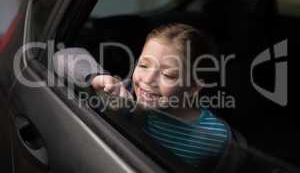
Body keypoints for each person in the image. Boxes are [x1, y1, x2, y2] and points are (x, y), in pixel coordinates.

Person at [53, 23, 231, 167]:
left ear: (193, 87)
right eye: (143, 65)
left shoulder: (215, 135)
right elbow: (62, 56)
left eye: (168, 75)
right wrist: (97, 76)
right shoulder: (124, 94)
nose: (147, 79)